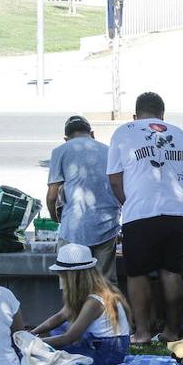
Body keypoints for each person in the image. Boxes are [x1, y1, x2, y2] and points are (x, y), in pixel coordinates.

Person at [107, 92, 183, 344]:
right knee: (171, 269)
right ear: (162, 115)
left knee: (137, 273)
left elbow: (114, 180)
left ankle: (143, 332)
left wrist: (131, 203)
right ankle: (172, 331)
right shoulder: (180, 134)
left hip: (141, 212)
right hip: (179, 211)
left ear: (136, 115)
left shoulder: (124, 132)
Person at [31, 243, 132, 365]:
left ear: (72, 277)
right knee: (59, 328)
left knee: (50, 353)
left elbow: (69, 338)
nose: (60, 277)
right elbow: (62, 315)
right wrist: (33, 333)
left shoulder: (94, 301)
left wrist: (34, 344)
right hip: (106, 344)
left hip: (107, 352)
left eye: (61, 273)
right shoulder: (94, 290)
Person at [46, 115, 121, 281]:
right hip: (107, 226)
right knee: (105, 287)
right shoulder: (109, 150)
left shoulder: (60, 151)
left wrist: (55, 217)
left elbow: (52, 196)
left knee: (74, 288)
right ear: (92, 133)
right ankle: (107, 307)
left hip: (74, 229)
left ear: (66, 138)